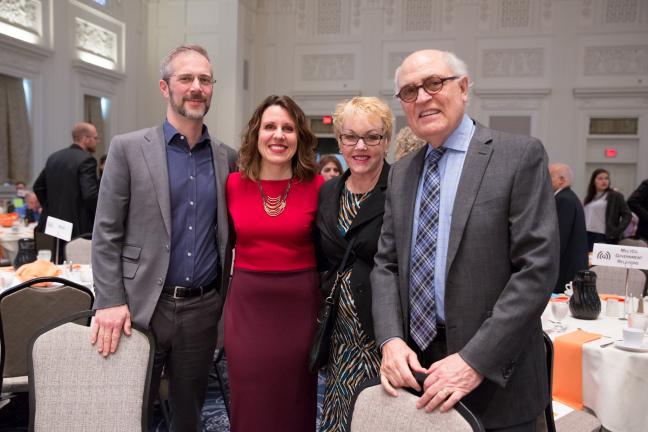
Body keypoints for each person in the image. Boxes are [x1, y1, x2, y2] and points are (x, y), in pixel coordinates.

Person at [371, 49, 559, 431]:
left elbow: (536, 270)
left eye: (433, 83)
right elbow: (386, 265)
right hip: (419, 374)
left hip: (497, 380)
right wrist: (390, 339)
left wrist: (475, 360)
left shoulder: (518, 156)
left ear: (464, 87)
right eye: (409, 92)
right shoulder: (404, 172)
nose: (422, 97)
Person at [90, 44, 237, 431]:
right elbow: (105, 232)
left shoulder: (227, 158)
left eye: (205, 80)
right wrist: (109, 300)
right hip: (138, 308)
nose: (196, 87)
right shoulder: (127, 149)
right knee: (129, 411)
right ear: (164, 87)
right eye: (186, 78)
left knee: (189, 415)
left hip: (203, 310)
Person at [224, 95, 323, 432]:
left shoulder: (318, 186)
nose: (278, 135)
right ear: (256, 135)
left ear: (300, 137)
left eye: (288, 128)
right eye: (270, 127)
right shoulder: (233, 185)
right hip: (247, 306)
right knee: (249, 399)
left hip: (299, 307)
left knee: (295, 400)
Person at [316, 97, 393, 431]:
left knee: (376, 420)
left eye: (372, 137)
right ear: (340, 140)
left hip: (383, 337)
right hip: (339, 335)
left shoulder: (400, 189)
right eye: (351, 137)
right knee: (337, 418)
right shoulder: (328, 191)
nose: (360, 146)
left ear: (386, 141)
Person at [33, 122, 100, 261]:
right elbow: (90, 195)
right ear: (86, 138)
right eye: (96, 138)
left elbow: (38, 186)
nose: (97, 142)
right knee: (76, 267)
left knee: (54, 263)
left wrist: (50, 207)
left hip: (51, 223)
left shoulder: (54, 157)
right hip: (77, 225)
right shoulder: (87, 160)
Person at [549, 163, 588, 294]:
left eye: (549, 176)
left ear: (562, 180)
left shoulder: (563, 199)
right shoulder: (568, 197)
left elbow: (559, 239)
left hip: (566, 269)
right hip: (570, 266)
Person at [583, 168, 631, 251]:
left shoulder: (615, 196)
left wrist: (617, 231)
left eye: (606, 178)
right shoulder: (590, 197)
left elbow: (627, 215)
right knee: (587, 262)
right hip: (587, 234)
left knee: (598, 263)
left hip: (603, 235)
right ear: (594, 181)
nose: (604, 181)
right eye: (600, 178)